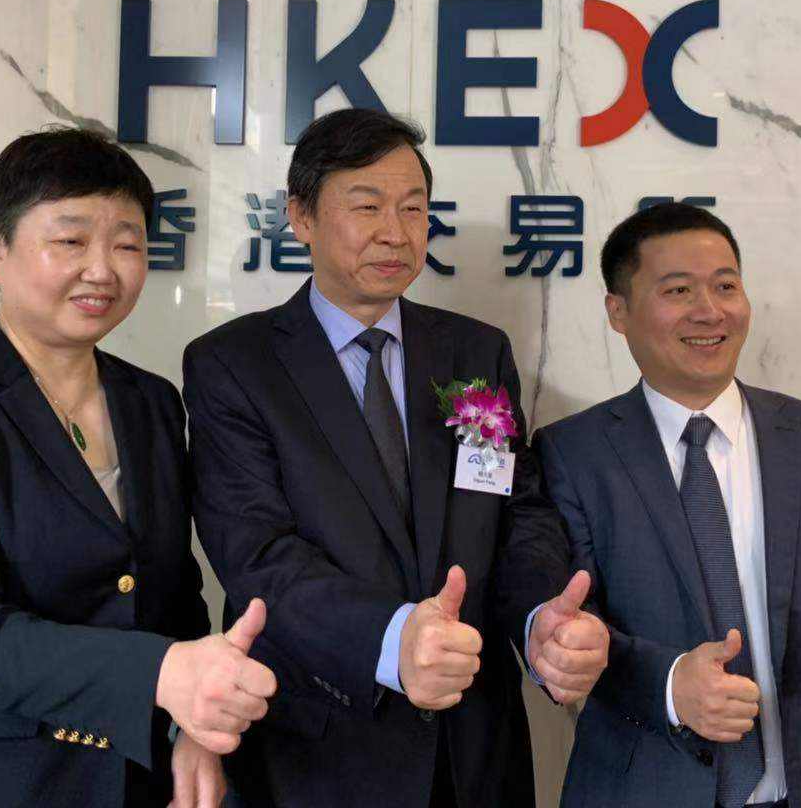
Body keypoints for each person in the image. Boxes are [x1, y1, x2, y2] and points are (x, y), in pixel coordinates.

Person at [182, 108, 610, 807]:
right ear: (301, 217)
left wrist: (541, 620)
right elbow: (255, 551)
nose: (395, 232)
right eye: (367, 206)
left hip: (475, 750)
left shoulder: (475, 352)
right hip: (321, 751)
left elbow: (514, 513)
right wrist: (392, 638)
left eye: (414, 208)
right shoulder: (235, 365)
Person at [0, 127, 276, 808]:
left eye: (127, 245)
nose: (102, 269)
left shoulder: (151, 402)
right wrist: (163, 673)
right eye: (71, 241)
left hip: (133, 782)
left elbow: (172, 598)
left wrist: (194, 725)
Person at [537, 201, 801, 808]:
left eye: (725, 286)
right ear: (618, 312)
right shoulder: (572, 452)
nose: (710, 311)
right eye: (678, 290)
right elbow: (573, 627)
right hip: (643, 789)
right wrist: (670, 686)